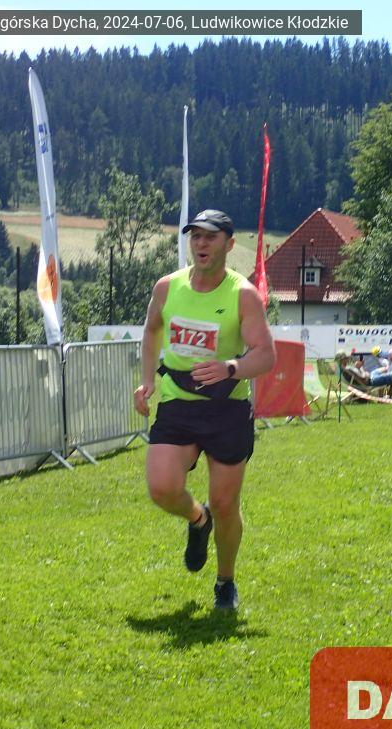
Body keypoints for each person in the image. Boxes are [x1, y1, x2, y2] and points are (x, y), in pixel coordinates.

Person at [134, 209, 276, 610]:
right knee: (162, 487)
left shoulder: (242, 295)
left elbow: (265, 355)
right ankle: (199, 519)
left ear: (229, 244)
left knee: (227, 503)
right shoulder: (168, 287)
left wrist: (230, 368)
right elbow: (152, 330)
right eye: (195, 236)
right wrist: (147, 380)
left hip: (226, 408)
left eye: (210, 237)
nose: (201, 244)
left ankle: (225, 582)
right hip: (178, 402)